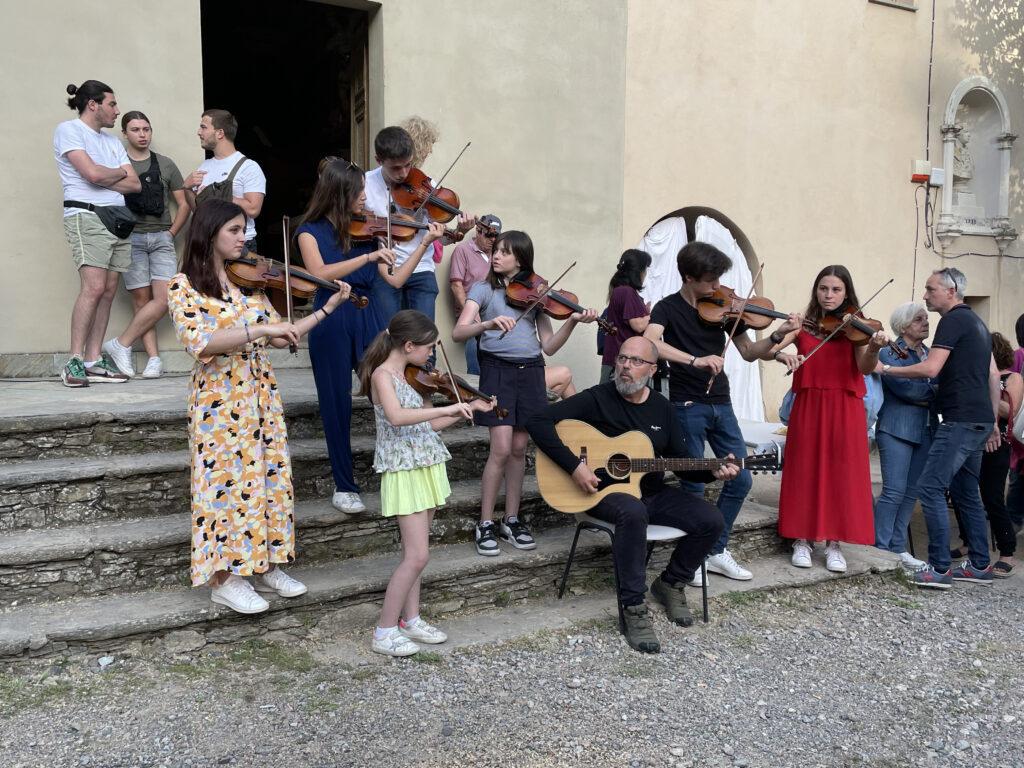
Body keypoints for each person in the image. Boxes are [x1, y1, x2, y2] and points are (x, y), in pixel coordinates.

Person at [167, 198, 352, 614]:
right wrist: (259, 328)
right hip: (219, 400)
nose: (243, 237)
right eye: (234, 230)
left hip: (260, 394)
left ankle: (265, 563)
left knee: (267, 479)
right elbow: (202, 342)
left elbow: (283, 333)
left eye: (244, 229)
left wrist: (327, 307)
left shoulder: (249, 286)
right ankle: (223, 579)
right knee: (222, 486)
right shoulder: (183, 286)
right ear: (210, 232)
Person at [527, 336, 730, 653]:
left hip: (650, 491)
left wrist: (712, 470)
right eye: (622, 359)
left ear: (652, 369)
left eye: (635, 361)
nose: (625, 366)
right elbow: (537, 420)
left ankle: (671, 583)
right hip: (602, 492)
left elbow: (682, 462)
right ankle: (633, 608)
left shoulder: (663, 409)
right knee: (633, 512)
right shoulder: (598, 398)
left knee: (711, 519)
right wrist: (574, 467)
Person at [643, 242, 801, 583]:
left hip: (721, 403)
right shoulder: (666, 309)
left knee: (741, 478)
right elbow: (651, 342)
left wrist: (778, 336)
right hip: (686, 404)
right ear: (688, 278)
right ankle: (691, 556)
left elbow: (748, 351)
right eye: (710, 281)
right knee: (694, 483)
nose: (717, 288)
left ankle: (714, 550)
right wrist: (694, 359)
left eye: (719, 280)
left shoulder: (724, 309)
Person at [297, 157, 445, 515]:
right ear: (339, 192)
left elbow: (393, 279)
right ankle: (344, 486)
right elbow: (320, 273)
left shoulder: (370, 230)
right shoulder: (308, 231)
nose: (365, 197)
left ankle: (399, 466)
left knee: (390, 391)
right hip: (331, 317)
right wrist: (365, 260)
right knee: (336, 405)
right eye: (358, 191)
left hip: (368, 315)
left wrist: (423, 244)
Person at [357, 310, 494, 656]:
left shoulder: (413, 376)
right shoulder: (382, 376)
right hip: (403, 469)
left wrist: (465, 410)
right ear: (407, 345)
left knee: (418, 554)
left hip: (427, 462)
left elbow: (426, 427)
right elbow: (398, 417)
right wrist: (445, 409)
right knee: (416, 556)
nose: (431, 354)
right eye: (428, 347)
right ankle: (384, 631)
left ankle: (411, 619)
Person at [453, 230, 597, 556]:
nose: (496, 255)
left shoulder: (536, 295)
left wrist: (572, 321)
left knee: (519, 448)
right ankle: (485, 521)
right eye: (496, 250)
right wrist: (486, 325)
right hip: (498, 372)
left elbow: (548, 345)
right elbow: (459, 330)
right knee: (501, 448)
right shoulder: (484, 289)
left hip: (530, 372)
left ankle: (512, 519)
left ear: (521, 257)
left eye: (505, 252)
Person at [879, 268, 1001, 589]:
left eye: (930, 289)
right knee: (965, 492)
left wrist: (886, 368)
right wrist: (993, 422)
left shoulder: (952, 320)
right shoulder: (977, 322)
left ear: (950, 291)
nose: (925, 295)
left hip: (959, 420)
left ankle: (940, 568)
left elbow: (932, 367)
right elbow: (992, 375)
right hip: (978, 419)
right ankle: (979, 564)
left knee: (930, 488)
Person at [774, 265, 888, 571]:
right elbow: (770, 348)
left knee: (842, 473)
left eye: (836, 290)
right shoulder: (804, 324)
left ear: (846, 293)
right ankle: (802, 538)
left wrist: (874, 347)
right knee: (804, 469)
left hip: (845, 406)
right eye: (823, 289)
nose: (829, 295)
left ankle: (834, 542)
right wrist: (780, 350)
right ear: (816, 291)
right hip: (810, 403)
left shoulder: (857, 328)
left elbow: (864, 368)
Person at [54, 80, 141, 387]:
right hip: (85, 214)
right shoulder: (69, 130)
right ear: (93, 104)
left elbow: (135, 185)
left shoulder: (113, 142)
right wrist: (115, 173)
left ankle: (93, 360)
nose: (117, 111)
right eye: (112, 104)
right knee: (93, 287)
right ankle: (74, 361)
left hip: (117, 218)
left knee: (107, 289)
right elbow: (89, 174)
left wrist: (106, 176)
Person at [99, 111, 190, 379]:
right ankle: (153, 359)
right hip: (131, 238)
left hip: (161, 237)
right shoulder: (117, 163)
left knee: (164, 299)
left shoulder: (165, 164)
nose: (142, 134)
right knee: (142, 300)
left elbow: (183, 203)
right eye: (136, 130)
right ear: (125, 134)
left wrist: (171, 233)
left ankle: (121, 343)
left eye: (146, 129)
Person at [364, 126, 475, 323]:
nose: (404, 173)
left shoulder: (423, 182)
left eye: (408, 165)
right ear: (379, 160)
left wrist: (459, 231)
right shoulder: (365, 184)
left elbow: (438, 235)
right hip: (385, 271)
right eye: (396, 168)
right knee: (389, 339)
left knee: (425, 343)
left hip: (422, 268)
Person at [949, 331, 1017, 576]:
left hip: (997, 443)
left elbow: (1010, 410)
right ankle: (968, 542)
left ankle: (1007, 551)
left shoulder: (1013, 378)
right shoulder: (974, 375)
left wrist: (988, 387)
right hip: (972, 438)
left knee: (992, 497)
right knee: (961, 493)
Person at [873, 302, 934, 569]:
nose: (926, 322)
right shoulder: (889, 353)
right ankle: (879, 546)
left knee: (911, 493)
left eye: (926, 318)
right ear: (905, 325)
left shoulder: (930, 354)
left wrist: (931, 393)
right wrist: (935, 392)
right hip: (896, 428)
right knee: (893, 491)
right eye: (920, 319)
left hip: (926, 429)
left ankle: (897, 547)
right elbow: (908, 390)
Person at [183, 109, 266, 253]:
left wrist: (219, 196)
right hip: (209, 243)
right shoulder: (205, 166)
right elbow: (198, 211)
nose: (199, 132)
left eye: (204, 127)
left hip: (240, 246)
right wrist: (188, 189)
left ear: (220, 133)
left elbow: (253, 209)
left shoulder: (249, 167)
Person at [449, 215, 501, 374]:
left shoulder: (498, 253)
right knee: (475, 338)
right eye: (489, 235)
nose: (493, 239)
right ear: (478, 231)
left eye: (496, 236)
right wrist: (471, 314)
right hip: (472, 308)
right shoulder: (463, 250)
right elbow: (456, 286)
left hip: (494, 309)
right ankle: (476, 383)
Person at [399, 116, 447, 267]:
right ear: (418, 143)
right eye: (428, 144)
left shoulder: (426, 184)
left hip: (422, 263)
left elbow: (440, 235)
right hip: (394, 259)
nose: (430, 150)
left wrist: (458, 230)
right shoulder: (388, 178)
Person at [601, 249, 652, 382]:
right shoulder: (627, 291)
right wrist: (653, 315)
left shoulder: (620, 290)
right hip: (623, 362)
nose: (645, 274)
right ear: (639, 271)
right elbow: (638, 326)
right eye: (645, 270)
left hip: (617, 358)